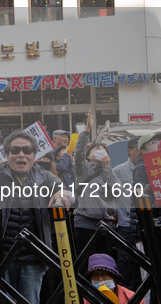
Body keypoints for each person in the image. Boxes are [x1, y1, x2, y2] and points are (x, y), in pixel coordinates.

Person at [0, 116, 72, 304]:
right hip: (1, 258)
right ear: (7, 154)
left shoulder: (45, 177)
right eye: (15, 150)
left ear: (34, 155)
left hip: (34, 259)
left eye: (27, 150)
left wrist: (63, 194)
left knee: (29, 301)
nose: (21, 154)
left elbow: (65, 191)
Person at [73, 109, 120, 263]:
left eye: (103, 150)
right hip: (85, 223)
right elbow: (78, 152)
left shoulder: (110, 172)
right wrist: (86, 130)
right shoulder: (83, 168)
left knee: (104, 262)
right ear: (89, 155)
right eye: (95, 149)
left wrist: (107, 168)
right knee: (85, 262)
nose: (99, 151)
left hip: (105, 225)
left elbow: (114, 192)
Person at [113, 137, 142, 291]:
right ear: (129, 151)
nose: (142, 152)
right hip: (125, 223)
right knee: (125, 261)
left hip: (141, 222)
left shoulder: (150, 170)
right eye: (139, 149)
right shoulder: (118, 170)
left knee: (142, 262)